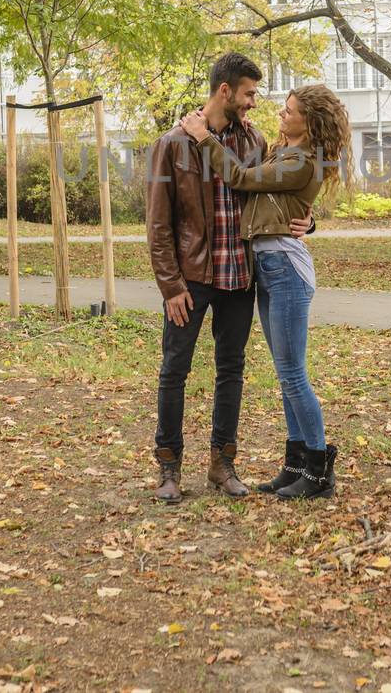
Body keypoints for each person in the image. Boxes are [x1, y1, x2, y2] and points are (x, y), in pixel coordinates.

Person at [145, 53, 308, 503]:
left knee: (230, 370)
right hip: (192, 279)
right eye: (249, 93)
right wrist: (171, 286)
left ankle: (222, 465)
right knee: (174, 370)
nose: (254, 103)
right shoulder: (174, 143)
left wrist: (306, 222)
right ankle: (169, 469)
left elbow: (282, 189)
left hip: (240, 276)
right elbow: (158, 225)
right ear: (226, 91)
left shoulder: (256, 143)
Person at [179, 83, 350, 501]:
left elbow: (239, 177)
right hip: (269, 266)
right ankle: (294, 466)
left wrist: (203, 139)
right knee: (285, 374)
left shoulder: (302, 161)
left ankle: (318, 470)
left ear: (309, 123)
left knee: (293, 374)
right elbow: (278, 203)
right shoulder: (283, 151)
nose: (281, 114)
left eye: (289, 111)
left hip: (286, 268)